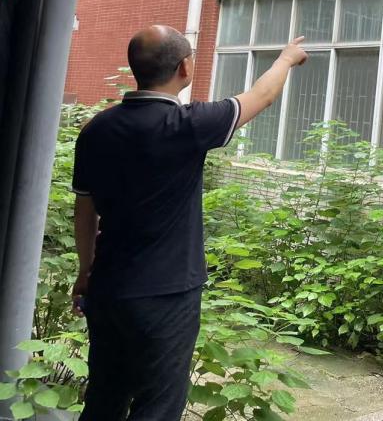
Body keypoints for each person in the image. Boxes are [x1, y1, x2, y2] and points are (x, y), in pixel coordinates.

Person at [71, 24, 307, 420]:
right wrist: (286, 58)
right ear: (185, 67)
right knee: (158, 406)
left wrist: (84, 271)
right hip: (167, 294)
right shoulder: (187, 125)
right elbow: (261, 96)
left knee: (104, 398)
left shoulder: (96, 129)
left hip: (108, 286)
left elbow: (84, 210)